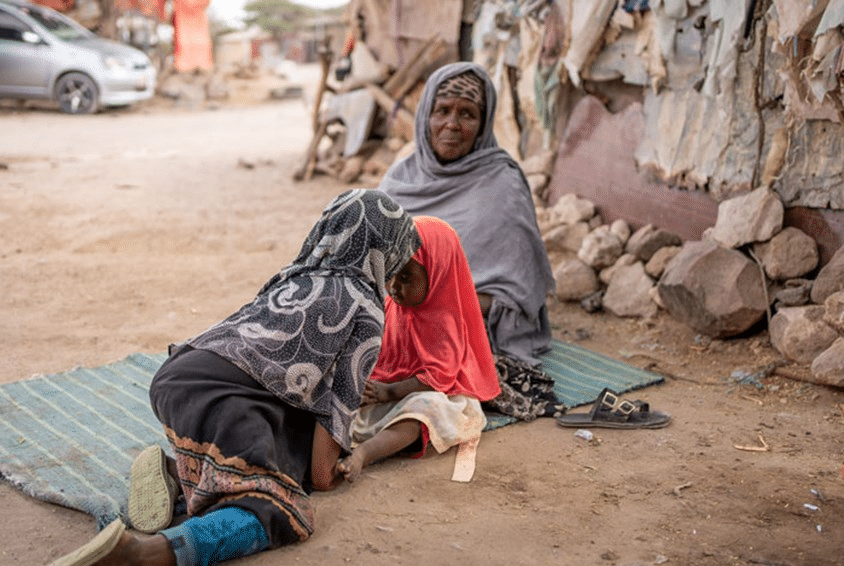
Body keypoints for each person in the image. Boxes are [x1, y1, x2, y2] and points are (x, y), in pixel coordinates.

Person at [49, 189, 421, 566]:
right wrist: (334, 470)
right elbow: (333, 432)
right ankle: (147, 552)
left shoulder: (294, 275)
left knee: (282, 437)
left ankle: (182, 470)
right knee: (283, 509)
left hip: (177, 376)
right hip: (224, 401)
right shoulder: (367, 310)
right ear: (383, 251)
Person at [378, 62, 563, 420]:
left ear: (483, 124)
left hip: (470, 319)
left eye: (467, 114)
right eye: (442, 111)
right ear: (425, 116)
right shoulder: (400, 178)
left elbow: (517, 290)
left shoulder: (503, 183)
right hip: (399, 308)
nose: (452, 124)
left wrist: (435, 311)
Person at [337, 216, 501, 483]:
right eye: (391, 275)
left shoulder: (444, 318)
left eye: (405, 278)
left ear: (437, 273)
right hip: (386, 391)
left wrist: (389, 391)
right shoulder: (394, 306)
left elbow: (440, 377)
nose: (394, 287)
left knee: (424, 411)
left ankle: (365, 454)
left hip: (429, 392)